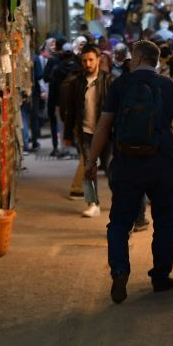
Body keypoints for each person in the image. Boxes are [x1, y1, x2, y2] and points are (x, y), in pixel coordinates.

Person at [87, 40, 173, 303]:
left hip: (126, 163)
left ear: (137, 57)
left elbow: (103, 127)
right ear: (155, 60)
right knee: (164, 222)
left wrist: (91, 161)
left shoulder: (120, 86)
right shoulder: (170, 88)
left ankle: (120, 271)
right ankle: (160, 276)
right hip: (162, 164)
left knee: (120, 223)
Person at [62, 44, 114, 217]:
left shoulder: (110, 80)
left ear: (98, 60)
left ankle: (121, 199)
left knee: (111, 168)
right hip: (85, 132)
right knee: (88, 168)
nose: (88, 63)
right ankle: (93, 203)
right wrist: (68, 134)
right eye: (84, 60)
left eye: (91, 60)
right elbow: (70, 110)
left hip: (107, 132)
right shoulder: (76, 83)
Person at [46, 38, 83, 158]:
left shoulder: (57, 69)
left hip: (59, 102)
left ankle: (65, 148)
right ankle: (77, 147)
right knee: (76, 123)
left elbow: (50, 83)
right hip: (75, 102)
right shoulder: (78, 69)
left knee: (61, 125)